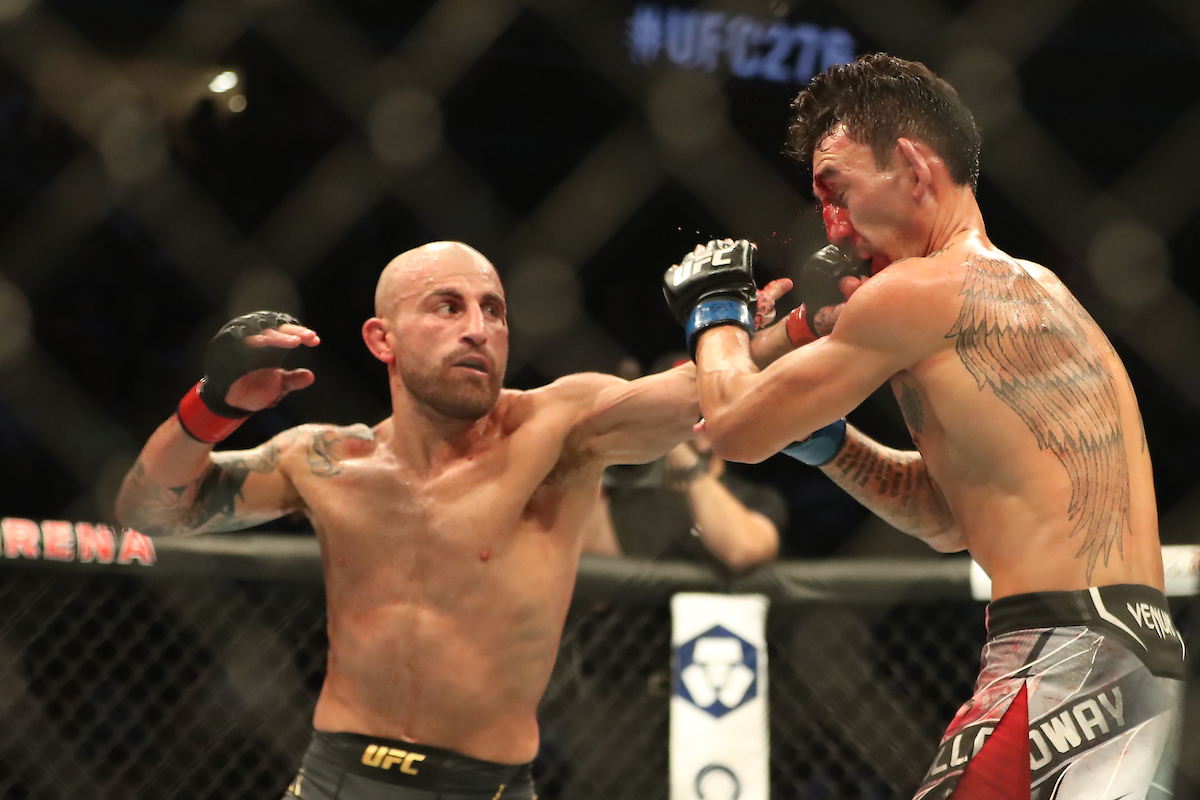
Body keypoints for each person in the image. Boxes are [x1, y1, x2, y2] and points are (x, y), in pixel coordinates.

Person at [663, 54, 1183, 800]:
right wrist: (831, 445)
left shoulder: (918, 290)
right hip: (1138, 660)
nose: (833, 226)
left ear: (912, 166)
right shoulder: (1044, 294)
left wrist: (715, 312)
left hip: (1060, 656)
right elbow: (947, 518)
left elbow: (734, 429)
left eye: (837, 191)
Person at [115, 241, 701, 800]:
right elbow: (151, 512)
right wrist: (215, 403)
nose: (478, 329)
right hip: (335, 781)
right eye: (447, 307)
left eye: (493, 311)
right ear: (382, 339)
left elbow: (707, 398)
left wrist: (736, 320)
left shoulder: (556, 429)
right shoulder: (326, 461)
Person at [582, 355, 784, 571]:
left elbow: (744, 551)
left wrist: (687, 462)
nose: (698, 416)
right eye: (683, 407)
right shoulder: (629, 490)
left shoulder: (756, 498)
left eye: (707, 404)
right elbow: (591, 561)